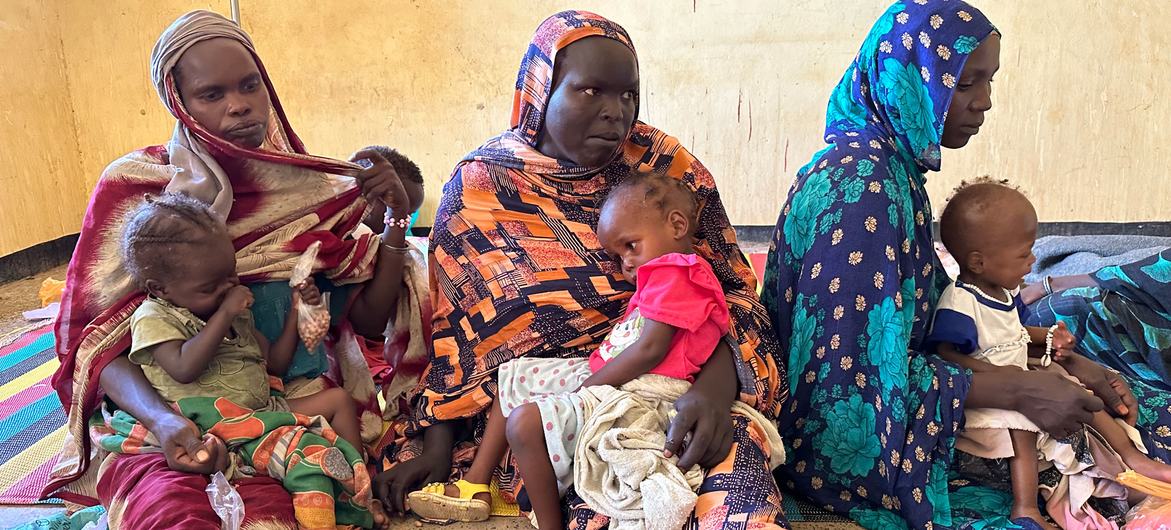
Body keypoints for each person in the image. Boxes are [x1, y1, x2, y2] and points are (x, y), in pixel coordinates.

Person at [375, 10, 788, 529]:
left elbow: (733, 298)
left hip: (684, 389)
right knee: (611, 501)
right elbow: (457, 340)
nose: (617, 113)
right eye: (591, 90)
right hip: (555, 417)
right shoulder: (482, 189)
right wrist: (439, 442)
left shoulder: (664, 169)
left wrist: (713, 390)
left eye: (629, 95)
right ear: (541, 90)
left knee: (734, 499)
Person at [762, 2, 1153, 528]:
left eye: (988, 81)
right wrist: (1021, 388)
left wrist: (1048, 359)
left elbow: (933, 319)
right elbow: (850, 394)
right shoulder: (863, 192)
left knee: (1088, 330)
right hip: (840, 442)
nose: (984, 103)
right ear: (909, 82)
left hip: (894, 385)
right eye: (965, 83)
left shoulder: (891, 171)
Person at [47, 11, 412, 529]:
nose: (238, 105)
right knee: (172, 514)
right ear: (180, 102)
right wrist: (163, 420)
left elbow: (368, 325)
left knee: (305, 510)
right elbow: (94, 345)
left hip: (283, 402)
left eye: (249, 85)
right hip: (169, 413)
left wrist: (396, 225)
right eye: (210, 94)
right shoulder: (137, 193)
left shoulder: (311, 194)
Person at [928, 180, 1171, 528]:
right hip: (993, 395)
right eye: (1023, 254)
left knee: (1083, 395)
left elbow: (1013, 332)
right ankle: (1025, 507)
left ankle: (1134, 458)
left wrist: (1050, 338)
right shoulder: (961, 303)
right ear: (979, 262)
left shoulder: (999, 291)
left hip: (1022, 373)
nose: (1033, 261)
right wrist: (1005, 381)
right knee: (1022, 429)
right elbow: (946, 355)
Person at [120, 193, 370, 527]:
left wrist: (297, 311)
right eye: (211, 287)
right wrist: (224, 312)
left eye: (231, 277)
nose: (227, 290)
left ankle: (358, 489)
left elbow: (274, 365)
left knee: (339, 399)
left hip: (262, 412)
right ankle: (331, 505)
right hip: (212, 425)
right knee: (309, 460)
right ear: (160, 288)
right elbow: (182, 367)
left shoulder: (235, 315)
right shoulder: (155, 316)